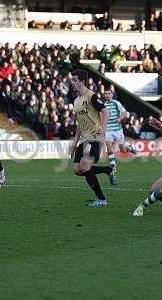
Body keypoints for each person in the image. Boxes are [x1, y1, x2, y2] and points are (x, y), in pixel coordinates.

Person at [68, 69, 111, 207]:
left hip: (94, 137)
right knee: (77, 170)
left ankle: (101, 199)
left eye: (75, 80)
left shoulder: (91, 96)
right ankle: (107, 170)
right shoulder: (76, 101)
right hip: (84, 138)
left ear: (82, 82)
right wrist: (75, 142)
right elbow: (80, 123)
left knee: (85, 167)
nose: (72, 83)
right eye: (71, 80)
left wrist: (102, 129)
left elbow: (105, 111)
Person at [103, 89, 138, 185]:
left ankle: (129, 147)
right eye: (105, 94)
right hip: (108, 130)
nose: (107, 95)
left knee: (123, 150)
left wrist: (119, 119)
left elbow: (125, 113)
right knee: (109, 149)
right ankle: (113, 169)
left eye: (108, 93)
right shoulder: (103, 105)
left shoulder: (116, 103)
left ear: (112, 95)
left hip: (117, 130)